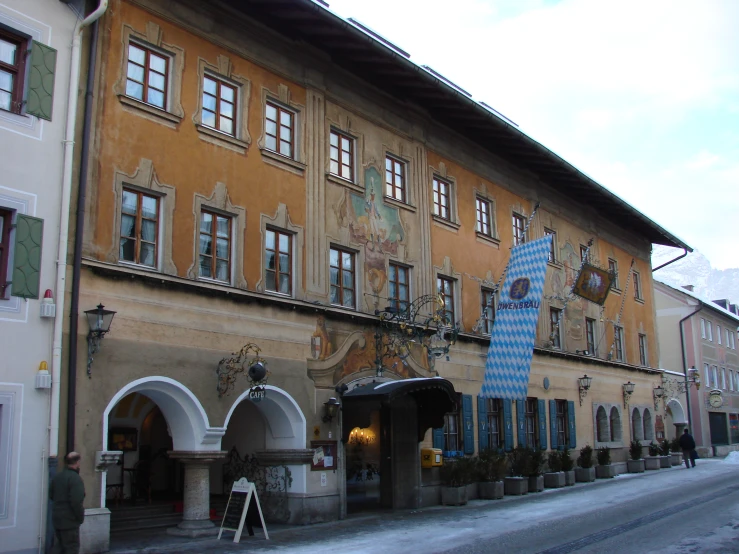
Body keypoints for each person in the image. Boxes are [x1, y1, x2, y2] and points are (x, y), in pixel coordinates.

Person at [50, 451, 86, 554]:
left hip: (57, 518)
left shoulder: (58, 477)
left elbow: (51, 495)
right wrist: (80, 517)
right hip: (70, 520)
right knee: (71, 548)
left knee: (59, 546)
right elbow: (76, 501)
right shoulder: (75, 479)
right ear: (78, 462)